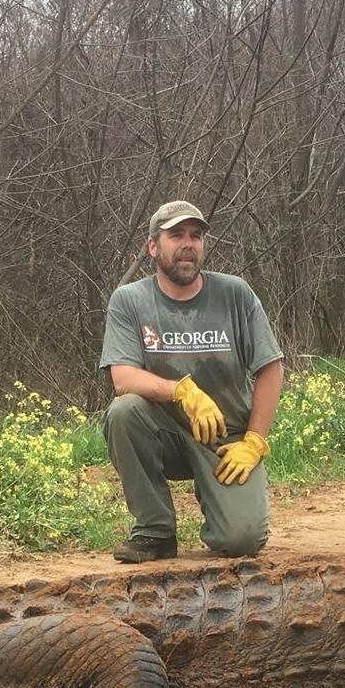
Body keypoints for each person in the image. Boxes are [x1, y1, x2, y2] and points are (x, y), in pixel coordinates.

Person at [98, 199, 285, 564]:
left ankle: (223, 512)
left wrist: (255, 440)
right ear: (153, 246)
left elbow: (271, 368)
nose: (188, 243)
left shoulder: (235, 294)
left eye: (196, 236)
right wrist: (181, 391)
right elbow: (122, 377)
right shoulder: (130, 300)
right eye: (176, 235)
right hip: (163, 432)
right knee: (124, 412)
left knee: (242, 541)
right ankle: (155, 530)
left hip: (225, 440)